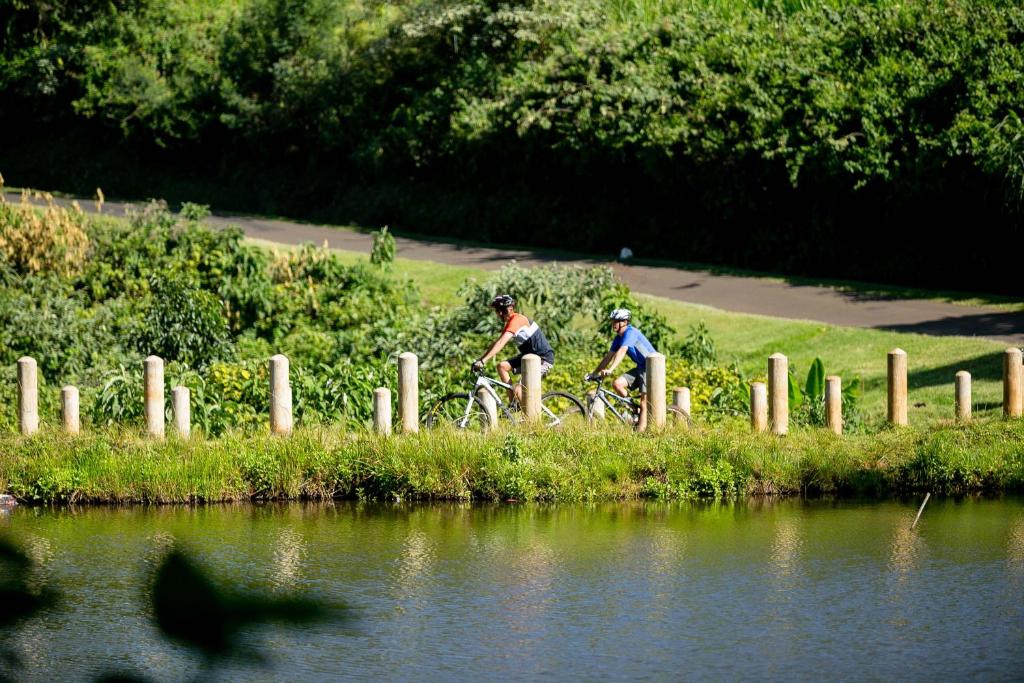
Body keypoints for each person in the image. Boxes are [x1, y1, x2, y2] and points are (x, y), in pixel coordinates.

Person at [472, 294, 555, 406]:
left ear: (503, 311)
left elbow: (501, 343)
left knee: (518, 388)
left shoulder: (517, 320)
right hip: (529, 356)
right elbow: (497, 342)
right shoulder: (511, 322)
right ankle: (513, 405)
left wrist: (483, 361)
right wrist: (481, 359)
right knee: (502, 366)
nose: (497, 314)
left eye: (497, 311)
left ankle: (528, 417)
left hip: (543, 359)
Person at [590, 308, 656, 431]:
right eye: (613, 321)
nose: (613, 324)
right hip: (640, 367)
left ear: (625, 322)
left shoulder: (631, 332)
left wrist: (611, 369)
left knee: (644, 403)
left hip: (651, 369)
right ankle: (635, 410)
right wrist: (594, 373)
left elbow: (622, 350)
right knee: (617, 384)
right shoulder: (618, 338)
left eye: (616, 321)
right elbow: (608, 357)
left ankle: (641, 435)